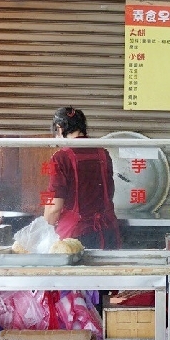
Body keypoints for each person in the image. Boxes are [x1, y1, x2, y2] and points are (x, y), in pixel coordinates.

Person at [43, 106, 121, 249]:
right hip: (108, 233)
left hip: (77, 238)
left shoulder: (60, 157)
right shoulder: (103, 153)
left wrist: (47, 221)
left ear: (60, 129)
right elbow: (109, 192)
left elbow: (54, 208)